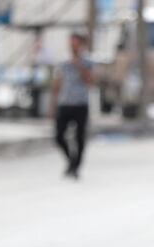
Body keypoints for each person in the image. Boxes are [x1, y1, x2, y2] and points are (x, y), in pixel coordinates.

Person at [50, 32, 95, 179]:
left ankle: (76, 167)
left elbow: (90, 81)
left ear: (81, 45)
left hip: (80, 104)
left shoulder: (88, 62)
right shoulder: (63, 62)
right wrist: (53, 104)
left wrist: (78, 64)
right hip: (65, 103)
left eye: (76, 43)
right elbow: (57, 84)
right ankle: (71, 160)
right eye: (71, 43)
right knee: (58, 136)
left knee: (79, 138)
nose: (73, 46)